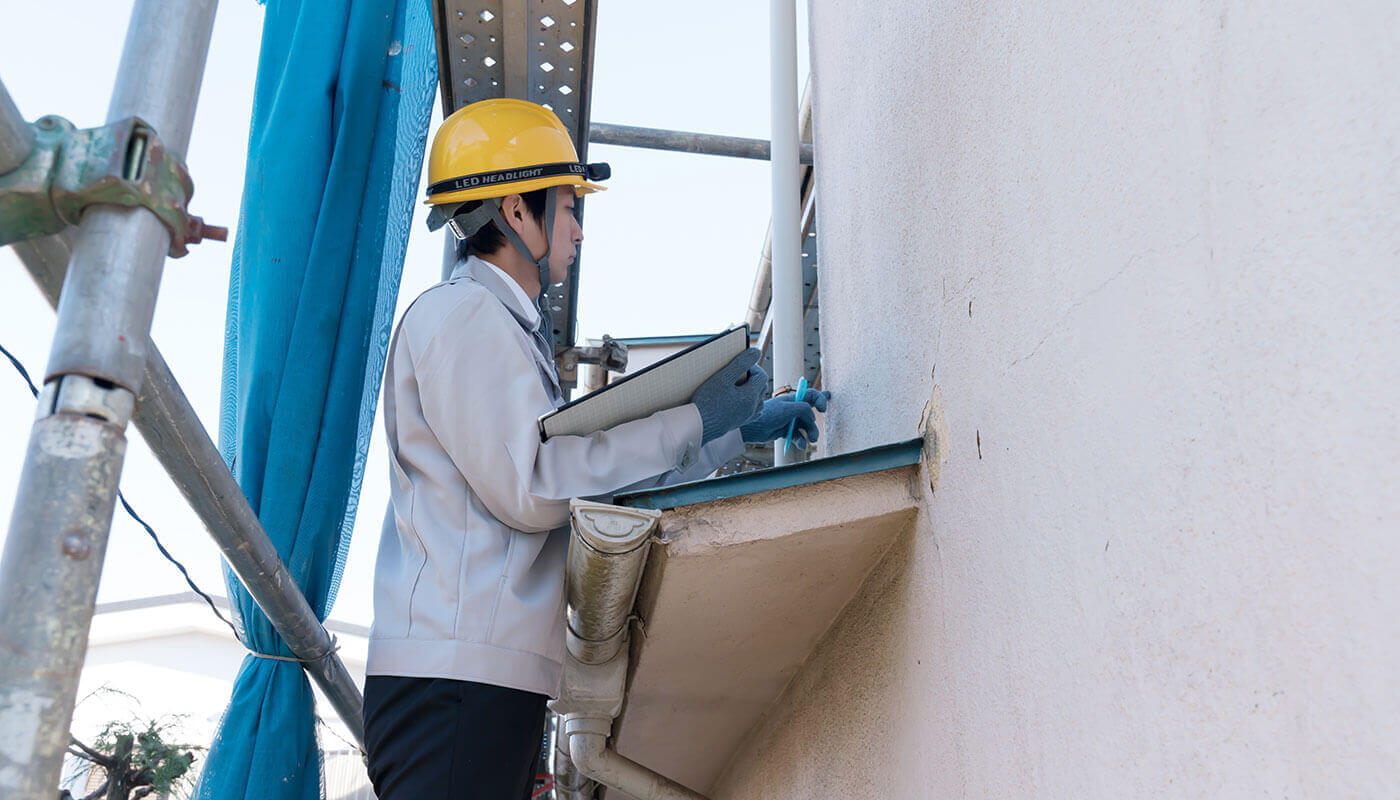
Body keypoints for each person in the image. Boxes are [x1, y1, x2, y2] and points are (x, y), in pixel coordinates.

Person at [362, 98, 830, 799]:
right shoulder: (463, 315)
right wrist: (694, 422)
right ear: (517, 211)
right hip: (454, 681)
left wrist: (731, 430)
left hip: (477, 677)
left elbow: (582, 486)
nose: (578, 228)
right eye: (569, 204)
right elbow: (537, 487)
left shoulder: (496, 326)